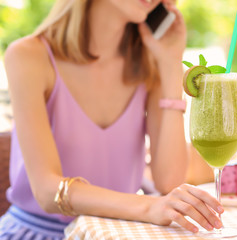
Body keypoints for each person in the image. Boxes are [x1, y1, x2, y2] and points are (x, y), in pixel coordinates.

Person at [0, 0, 224, 238]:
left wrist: (170, 63)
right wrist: (149, 206)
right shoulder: (28, 56)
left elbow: (169, 180)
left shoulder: (151, 63)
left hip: (114, 233)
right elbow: (47, 191)